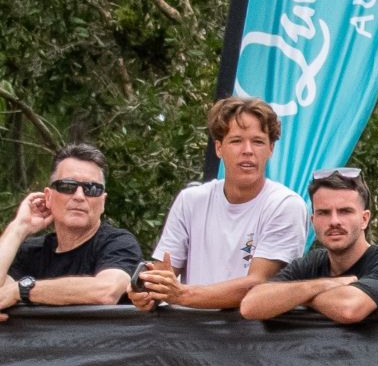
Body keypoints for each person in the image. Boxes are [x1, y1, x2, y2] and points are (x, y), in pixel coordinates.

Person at [136, 96, 309, 311]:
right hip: (188, 339)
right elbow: (162, 273)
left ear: (271, 149)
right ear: (219, 148)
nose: (248, 150)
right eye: (236, 141)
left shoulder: (285, 205)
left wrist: (182, 294)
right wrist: (146, 292)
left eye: (258, 141)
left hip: (255, 340)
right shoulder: (191, 200)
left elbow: (259, 284)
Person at [237, 169, 378, 323]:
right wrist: (326, 286)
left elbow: (349, 308)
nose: (334, 221)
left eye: (345, 211)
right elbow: (250, 305)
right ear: (313, 221)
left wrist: (291, 297)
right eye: (324, 213)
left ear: (364, 219)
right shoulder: (311, 263)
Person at [0, 145, 140, 314]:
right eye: (67, 186)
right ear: (48, 197)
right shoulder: (29, 252)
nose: (79, 196)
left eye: (91, 189)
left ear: (103, 202)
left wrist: (21, 290)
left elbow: (106, 291)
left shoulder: (118, 243)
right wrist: (19, 227)